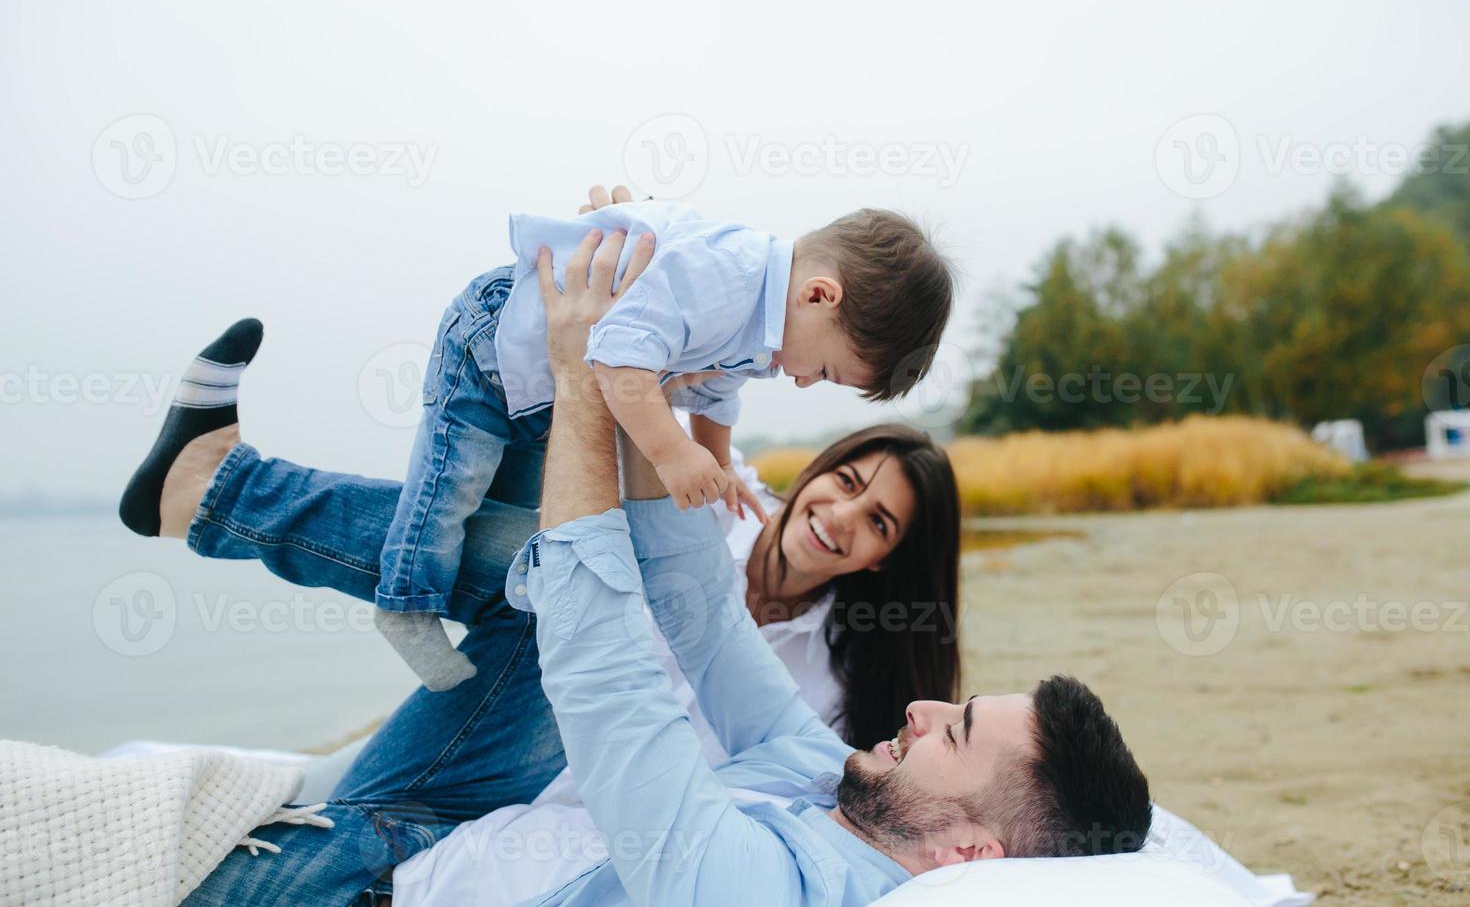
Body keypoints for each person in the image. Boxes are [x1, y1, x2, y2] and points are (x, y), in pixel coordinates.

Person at [171, 221, 1148, 905]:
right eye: (847, 479)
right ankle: (216, 493)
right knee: (534, 559)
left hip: (375, 878)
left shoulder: (778, 883)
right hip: (466, 800)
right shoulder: (842, 787)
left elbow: (614, 685)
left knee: (547, 570)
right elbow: (706, 623)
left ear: (970, 849)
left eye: (957, 728)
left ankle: (219, 493)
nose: (930, 707)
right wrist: (647, 362)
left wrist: (584, 379)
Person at [120, 190, 954, 692]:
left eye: (879, 522)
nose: (806, 384)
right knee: (453, 503)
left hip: (550, 398)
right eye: (827, 372)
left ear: (887, 560)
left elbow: (714, 390)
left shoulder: (760, 331)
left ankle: (215, 491)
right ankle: (378, 587)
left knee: (526, 551)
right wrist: (677, 454)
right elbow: (621, 358)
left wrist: (712, 452)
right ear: (817, 294)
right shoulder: (725, 279)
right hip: (496, 355)